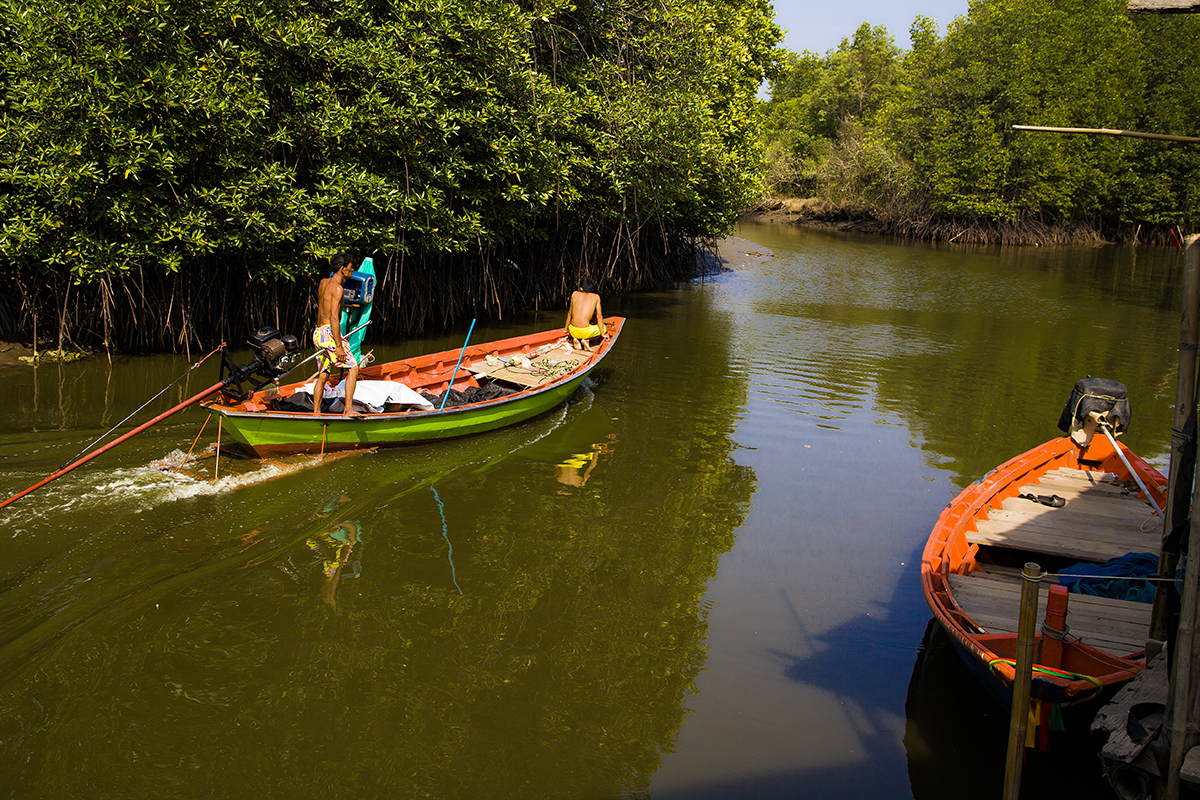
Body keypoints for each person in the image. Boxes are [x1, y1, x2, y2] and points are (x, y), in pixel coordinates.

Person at [312, 253, 362, 416]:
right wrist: (339, 347)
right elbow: (334, 317)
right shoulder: (338, 288)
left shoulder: (324, 283)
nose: (352, 271)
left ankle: (316, 412)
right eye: (350, 268)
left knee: (324, 373)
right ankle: (348, 409)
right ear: (342, 268)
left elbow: (326, 305)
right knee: (353, 367)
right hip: (329, 333)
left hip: (318, 333)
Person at [565, 276, 608, 351]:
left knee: (592, 316)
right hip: (585, 331)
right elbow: (599, 316)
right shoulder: (596, 297)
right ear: (592, 289)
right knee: (605, 328)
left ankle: (576, 340)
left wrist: (565, 329)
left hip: (572, 330)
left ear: (581, 288)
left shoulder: (574, 294)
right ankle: (586, 340)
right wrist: (603, 334)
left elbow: (570, 313)